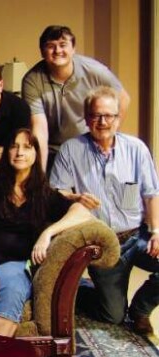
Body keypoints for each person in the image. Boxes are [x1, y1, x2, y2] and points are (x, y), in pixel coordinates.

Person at [0, 128, 92, 336]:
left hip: (13, 265)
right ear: (6, 152)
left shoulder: (44, 194)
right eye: (14, 146)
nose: (20, 152)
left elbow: (83, 212)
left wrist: (48, 233)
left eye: (27, 147)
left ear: (36, 154)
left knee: (10, 300)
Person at [50, 86, 159, 335]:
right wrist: (74, 196)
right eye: (96, 115)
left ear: (118, 118)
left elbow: (151, 193)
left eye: (109, 115)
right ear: (87, 118)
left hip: (137, 235)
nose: (102, 121)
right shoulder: (71, 149)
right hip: (103, 243)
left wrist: (156, 231)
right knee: (113, 316)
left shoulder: (136, 149)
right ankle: (82, 292)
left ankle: (141, 310)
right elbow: (55, 192)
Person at [22, 25, 130, 169]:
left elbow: (123, 98)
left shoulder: (94, 70)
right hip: (53, 150)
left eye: (63, 45)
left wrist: (108, 133)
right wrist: (40, 173)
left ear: (73, 49)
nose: (58, 51)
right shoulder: (32, 80)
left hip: (89, 145)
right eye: (51, 46)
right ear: (42, 52)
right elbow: (39, 128)